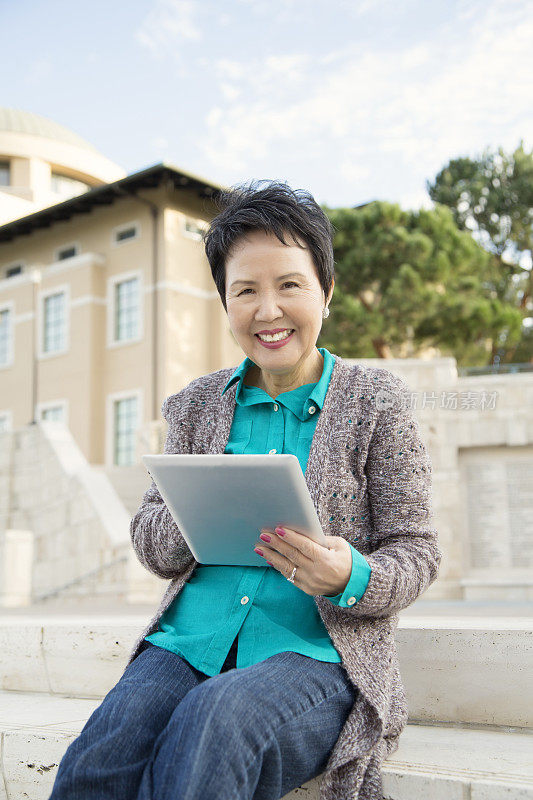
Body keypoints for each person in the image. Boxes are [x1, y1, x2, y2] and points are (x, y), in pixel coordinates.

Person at [48, 180, 441, 800]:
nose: (268, 310)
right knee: (102, 755)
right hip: (188, 640)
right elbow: (152, 543)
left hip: (315, 655)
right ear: (225, 303)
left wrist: (350, 575)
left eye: (289, 285)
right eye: (245, 291)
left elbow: (416, 549)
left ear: (325, 292)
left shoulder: (377, 403)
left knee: (216, 722)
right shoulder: (196, 405)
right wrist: (195, 508)